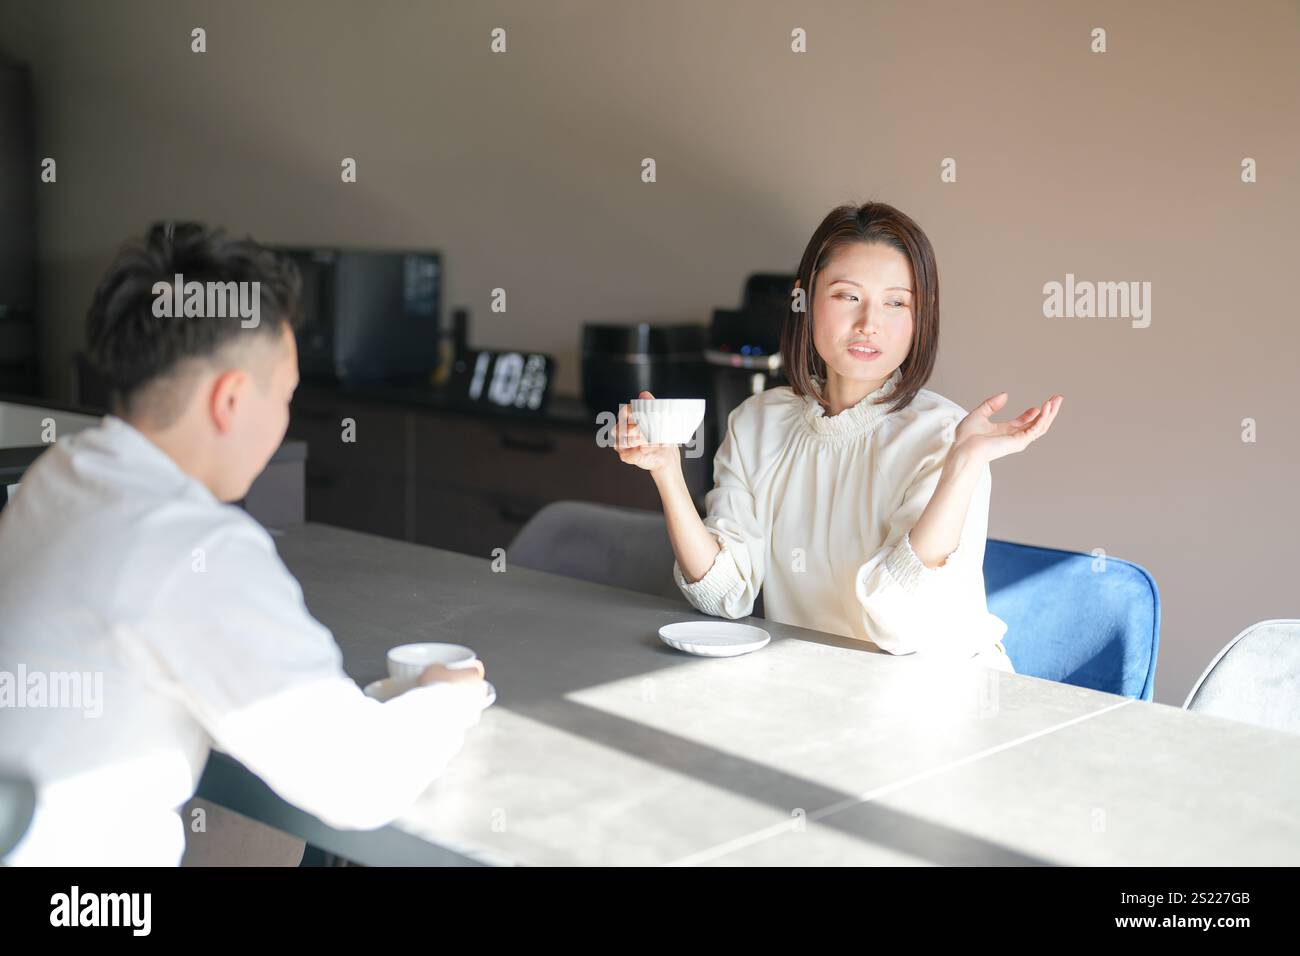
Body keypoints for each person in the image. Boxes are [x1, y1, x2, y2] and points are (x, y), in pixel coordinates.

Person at [0, 225, 488, 865]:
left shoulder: (58, 475)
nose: (285, 417)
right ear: (230, 399)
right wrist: (446, 697)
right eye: (284, 396)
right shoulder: (190, 544)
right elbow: (358, 783)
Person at [614, 201, 1063, 671]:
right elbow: (724, 595)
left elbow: (901, 628)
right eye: (848, 296)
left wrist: (963, 467)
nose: (870, 322)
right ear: (803, 300)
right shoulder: (755, 422)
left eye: (896, 302)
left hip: (944, 695)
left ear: (919, 317)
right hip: (816, 691)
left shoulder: (951, 437)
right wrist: (667, 471)